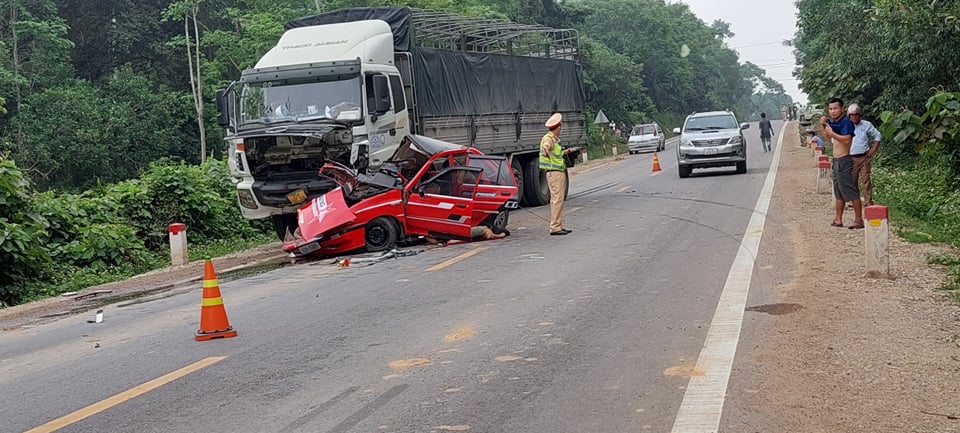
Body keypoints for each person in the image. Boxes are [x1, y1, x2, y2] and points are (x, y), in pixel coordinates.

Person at [819, 97, 864, 229]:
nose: (833, 111)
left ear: (842, 109)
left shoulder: (846, 122)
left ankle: (858, 219)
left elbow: (846, 140)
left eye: (835, 108)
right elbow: (827, 137)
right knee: (838, 191)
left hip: (845, 159)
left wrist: (832, 133)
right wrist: (824, 126)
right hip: (836, 160)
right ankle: (838, 219)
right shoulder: (834, 123)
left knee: (850, 190)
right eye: (830, 109)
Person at [541, 113, 578, 236]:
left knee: (559, 200)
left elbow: (555, 153)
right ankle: (555, 227)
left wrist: (567, 151)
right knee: (557, 200)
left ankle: (558, 225)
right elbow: (546, 147)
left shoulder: (554, 140)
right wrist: (545, 150)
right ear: (558, 127)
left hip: (558, 172)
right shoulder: (548, 139)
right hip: (554, 173)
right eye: (560, 127)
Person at [847, 104, 882, 206]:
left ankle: (868, 201)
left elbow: (877, 136)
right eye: (852, 115)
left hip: (863, 157)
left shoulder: (866, 125)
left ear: (860, 115)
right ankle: (855, 201)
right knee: (852, 181)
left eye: (856, 115)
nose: (854, 117)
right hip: (851, 157)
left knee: (866, 180)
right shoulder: (846, 125)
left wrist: (873, 149)